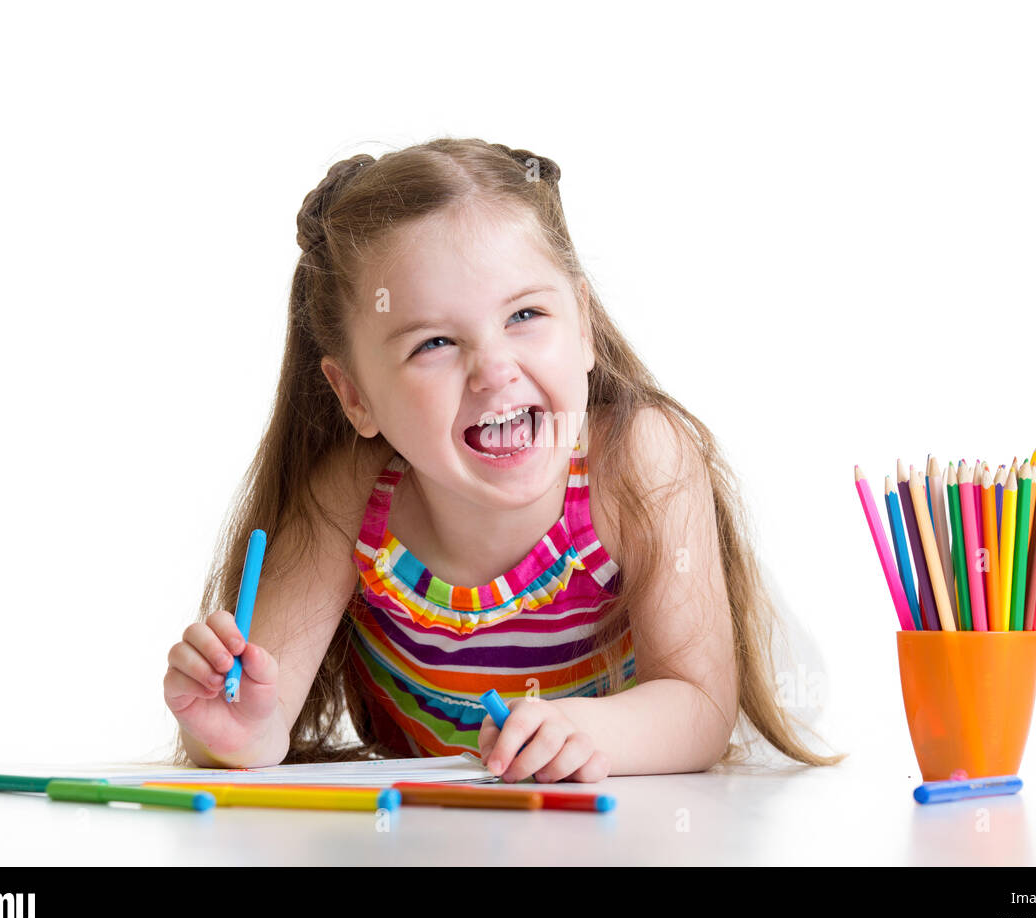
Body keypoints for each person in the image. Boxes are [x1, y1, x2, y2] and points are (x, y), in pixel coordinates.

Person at [162, 137, 844, 782]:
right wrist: (233, 730)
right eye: (433, 342)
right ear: (355, 395)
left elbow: (699, 706)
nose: (493, 369)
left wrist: (585, 731)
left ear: (584, 326)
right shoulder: (352, 497)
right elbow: (258, 720)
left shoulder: (640, 462)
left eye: (524, 316)